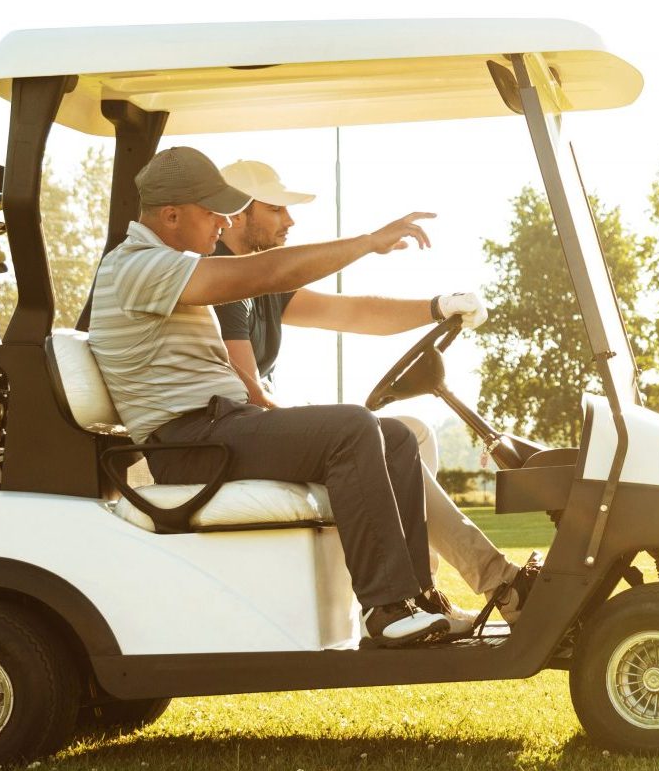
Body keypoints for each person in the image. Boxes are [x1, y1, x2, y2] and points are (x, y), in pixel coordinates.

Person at [87, 144, 449, 648]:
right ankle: (386, 609)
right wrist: (367, 242)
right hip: (189, 444)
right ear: (170, 215)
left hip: (216, 427)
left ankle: (419, 601)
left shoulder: (165, 263)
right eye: (212, 211)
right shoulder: (139, 267)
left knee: (394, 436)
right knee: (352, 428)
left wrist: (435, 307)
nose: (222, 221)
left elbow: (334, 306)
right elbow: (266, 273)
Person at [211, 158, 527, 633]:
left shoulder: (262, 282)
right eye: (276, 209)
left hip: (255, 428)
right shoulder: (225, 278)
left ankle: (424, 595)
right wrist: (316, 423)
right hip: (234, 435)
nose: (290, 221)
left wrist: (435, 307)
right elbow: (247, 389)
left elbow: (355, 312)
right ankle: (501, 583)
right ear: (238, 212)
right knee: (368, 431)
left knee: (412, 434)